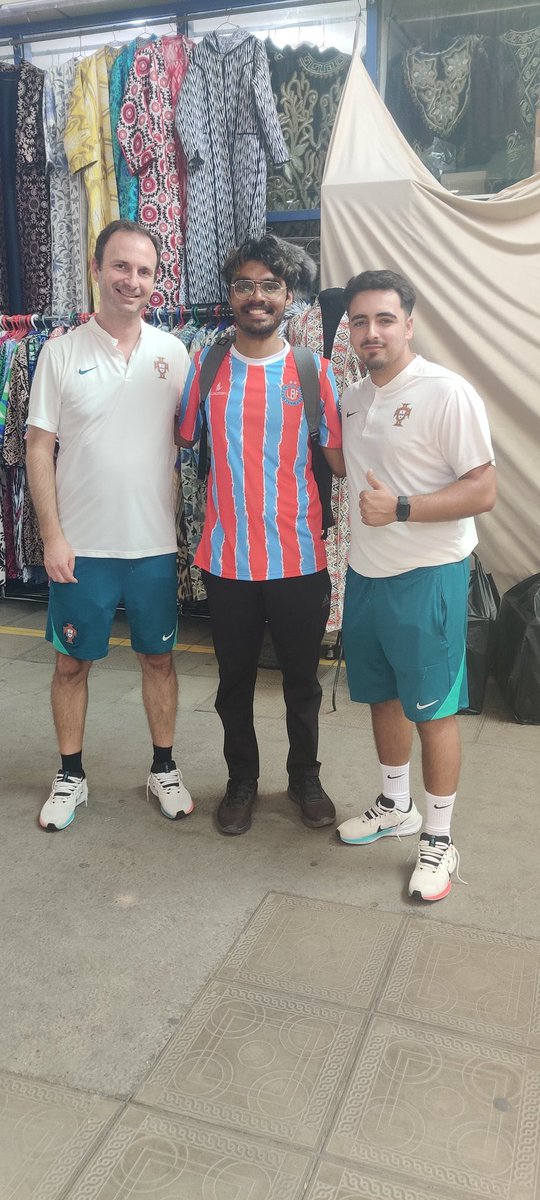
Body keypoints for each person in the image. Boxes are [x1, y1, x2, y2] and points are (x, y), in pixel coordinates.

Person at [26, 219, 193, 831]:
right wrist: (52, 537)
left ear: (155, 281)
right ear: (97, 270)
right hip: (82, 546)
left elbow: (196, 440)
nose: (133, 280)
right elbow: (38, 448)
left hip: (152, 544)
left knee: (160, 659)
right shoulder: (60, 352)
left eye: (145, 271)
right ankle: (70, 775)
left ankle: (163, 768)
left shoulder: (174, 354)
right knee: (72, 663)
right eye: (121, 266)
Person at [336, 269, 496, 901]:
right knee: (381, 695)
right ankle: (395, 804)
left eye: (383, 319)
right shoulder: (352, 396)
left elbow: (483, 489)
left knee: (434, 710)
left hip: (428, 574)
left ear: (408, 322)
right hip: (367, 575)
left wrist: (402, 507)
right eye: (359, 321)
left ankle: (439, 837)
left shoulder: (446, 393)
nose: (370, 332)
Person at [177, 234, 343, 835]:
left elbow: (340, 461)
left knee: (302, 682)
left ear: (289, 296)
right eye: (245, 284)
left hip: (299, 557)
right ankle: (241, 781)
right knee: (233, 684)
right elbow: (180, 441)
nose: (257, 296)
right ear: (231, 294)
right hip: (227, 560)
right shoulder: (207, 365)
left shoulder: (312, 371)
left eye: (270, 286)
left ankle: (305, 778)